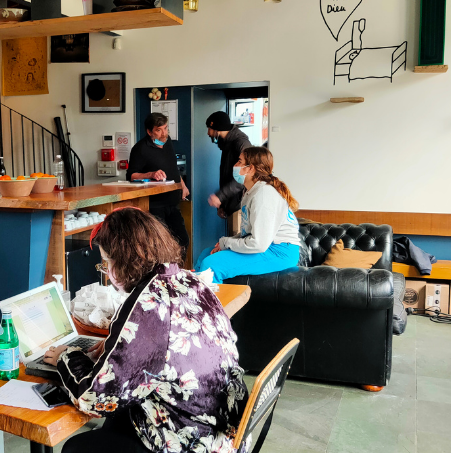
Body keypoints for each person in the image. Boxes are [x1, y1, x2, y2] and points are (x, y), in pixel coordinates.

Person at [43, 207, 248, 453]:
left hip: (191, 442)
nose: (107, 274)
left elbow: (93, 398)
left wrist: (67, 356)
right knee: (116, 421)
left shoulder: (147, 306)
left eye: (107, 263)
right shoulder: (190, 281)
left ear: (125, 260)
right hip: (219, 424)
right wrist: (117, 349)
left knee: (77, 447)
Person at [195, 146, 301, 284]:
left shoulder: (264, 195)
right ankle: (192, 299)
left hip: (279, 252)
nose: (235, 165)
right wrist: (224, 243)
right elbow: (249, 234)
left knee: (211, 265)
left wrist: (226, 243)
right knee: (205, 254)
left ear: (250, 168)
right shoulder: (251, 192)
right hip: (267, 246)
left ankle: (211, 304)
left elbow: (258, 243)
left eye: (239, 161)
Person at [127, 113, 190, 252]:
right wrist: (151, 174)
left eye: (166, 128)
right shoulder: (140, 149)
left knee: (182, 241)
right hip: (154, 205)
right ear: (149, 131)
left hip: (172, 202)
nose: (164, 134)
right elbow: (131, 176)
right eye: (159, 130)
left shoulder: (168, 143)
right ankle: (164, 273)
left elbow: (173, 168)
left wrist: (183, 186)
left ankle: (176, 273)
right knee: (160, 246)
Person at [205, 111, 252, 218]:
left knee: (239, 234)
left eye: (209, 128)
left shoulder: (241, 143)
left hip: (240, 206)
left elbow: (244, 177)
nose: (208, 133)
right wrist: (223, 205)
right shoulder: (227, 144)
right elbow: (226, 175)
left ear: (217, 128)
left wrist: (220, 197)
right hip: (231, 204)